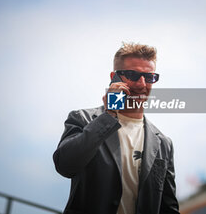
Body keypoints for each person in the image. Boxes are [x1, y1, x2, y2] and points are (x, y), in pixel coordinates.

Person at [53, 42, 180, 214]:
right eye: (133, 75)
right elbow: (65, 165)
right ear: (114, 77)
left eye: (149, 77)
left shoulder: (163, 143)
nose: (142, 84)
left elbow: (168, 207)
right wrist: (109, 115)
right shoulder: (82, 119)